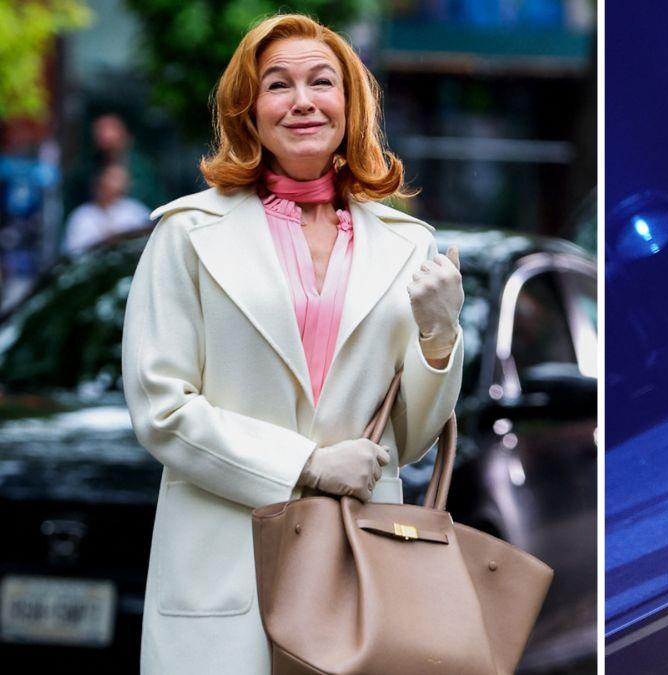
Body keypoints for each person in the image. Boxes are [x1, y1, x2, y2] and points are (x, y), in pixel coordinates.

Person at [121, 14, 465, 674]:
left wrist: (441, 333)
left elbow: (414, 436)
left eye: (321, 82)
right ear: (248, 110)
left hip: (358, 570)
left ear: (349, 103)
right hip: (225, 574)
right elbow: (161, 409)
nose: (303, 100)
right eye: (278, 84)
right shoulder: (185, 234)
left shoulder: (409, 243)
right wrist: (305, 463)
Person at [62, 163, 150, 255]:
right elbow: (73, 254)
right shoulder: (81, 216)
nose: (114, 185)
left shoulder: (134, 210)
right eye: (111, 179)